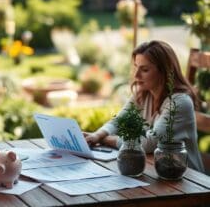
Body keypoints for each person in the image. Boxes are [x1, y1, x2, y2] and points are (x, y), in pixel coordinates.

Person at [84, 40, 204, 172]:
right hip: (156, 170)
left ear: (164, 71)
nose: (136, 75)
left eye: (145, 70)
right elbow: (119, 121)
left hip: (187, 178)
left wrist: (107, 140)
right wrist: (97, 135)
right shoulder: (143, 94)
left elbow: (148, 143)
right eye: (136, 67)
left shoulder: (180, 102)